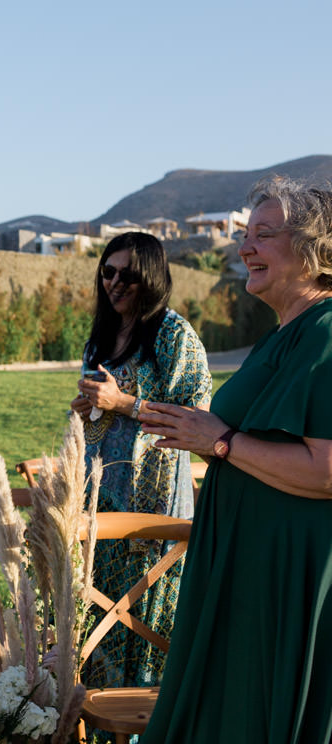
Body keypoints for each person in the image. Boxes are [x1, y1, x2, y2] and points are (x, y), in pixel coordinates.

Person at [139, 177, 332, 743]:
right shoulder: (280, 337)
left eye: (263, 235)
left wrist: (219, 441)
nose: (243, 248)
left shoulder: (327, 332)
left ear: (315, 246)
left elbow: (326, 470)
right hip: (248, 573)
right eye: (244, 235)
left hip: (291, 576)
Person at [68, 232, 211, 714]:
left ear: (151, 276)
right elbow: (102, 415)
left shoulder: (173, 334)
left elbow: (196, 416)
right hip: (101, 498)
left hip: (153, 511)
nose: (115, 282)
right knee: (99, 622)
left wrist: (122, 402)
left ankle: (148, 723)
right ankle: (100, 722)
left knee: (148, 624)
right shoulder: (103, 336)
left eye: (127, 274)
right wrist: (90, 407)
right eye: (107, 272)